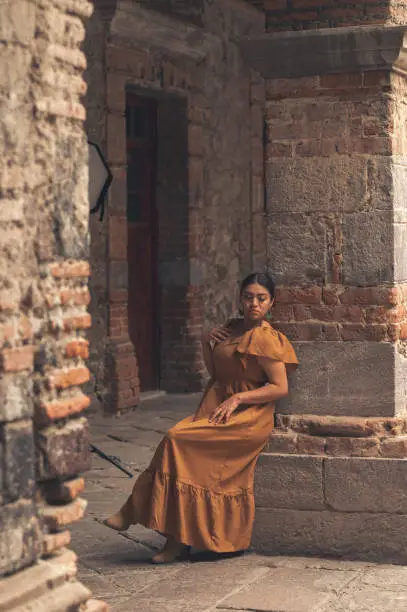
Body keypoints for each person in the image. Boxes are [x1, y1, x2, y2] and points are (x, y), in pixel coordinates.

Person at [104, 272, 299, 564]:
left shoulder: (267, 339)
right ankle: (175, 539)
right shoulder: (231, 329)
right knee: (177, 451)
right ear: (240, 298)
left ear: (272, 302)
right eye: (248, 297)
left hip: (248, 418)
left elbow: (279, 387)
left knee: (177, 439)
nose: (254, 304)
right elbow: (215, 373)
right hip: (217, 405)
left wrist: (238, 398)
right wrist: (208, 345)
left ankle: (139, 513)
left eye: (261, 298)